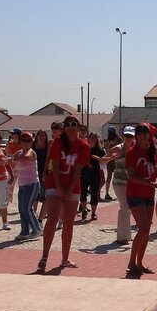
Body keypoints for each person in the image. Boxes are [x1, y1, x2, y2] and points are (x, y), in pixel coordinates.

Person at [38, 115, 90, 271]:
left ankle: (65, 259)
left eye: (74, 124)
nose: (71, 127)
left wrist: (68, 190)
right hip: (55, 183)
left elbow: (78, 170)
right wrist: (60, 188)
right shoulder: (58, 141)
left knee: (68, 223)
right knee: (52, 218)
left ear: (78, 127)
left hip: (73, 186)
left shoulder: (84, 145)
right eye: (68, 124)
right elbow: (54, 165)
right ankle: (44, 256)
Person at [124, 123, 157, 277]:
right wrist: (152, 184)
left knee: (146, 230)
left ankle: (140, 263)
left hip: (148, 194)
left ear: (149, 135)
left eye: (145, 132)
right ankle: (131, 262)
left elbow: (155, 171)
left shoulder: (152, 151)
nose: (142, 134)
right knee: (143, 228)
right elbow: (131, 176)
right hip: (135, 194)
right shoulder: (132, 152)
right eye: (139, 131)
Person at [104, 126, 135, 245]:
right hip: (119, 182)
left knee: (129, 207)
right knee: (124, 207)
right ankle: (122, 237)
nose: (128, 137)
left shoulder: (135, 148)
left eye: (130, 135)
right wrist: (111, 158)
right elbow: (102, 160)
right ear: (123, 135)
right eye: (126, 135)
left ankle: (126, 235)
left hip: (131, 182)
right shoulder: (118, 148)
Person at [10, 131, 42, 239]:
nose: (26, 142)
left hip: (32, 184)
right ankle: (25, 231)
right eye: (23, 140)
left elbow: (26, 157)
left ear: (31, 142)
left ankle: (37, 229)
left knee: (27, 208)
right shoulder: (19, 153)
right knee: (21, 208)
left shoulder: (31, 152)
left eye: (28, 141)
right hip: (22, 184)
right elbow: (9, 159)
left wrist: (12, 159)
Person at [80, 132, 105, 222]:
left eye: (94, 137)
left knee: (94, 193)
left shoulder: (100, 150)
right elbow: (80, 159)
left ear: (97, 139)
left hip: (95, 173)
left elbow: (103, 162)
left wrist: (98, 158)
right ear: (88, 138)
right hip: (84, 173)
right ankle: (84, 210)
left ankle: (93, 213)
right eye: (91, 137)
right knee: (83, 192)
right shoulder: (84, 148)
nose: (92, 139)